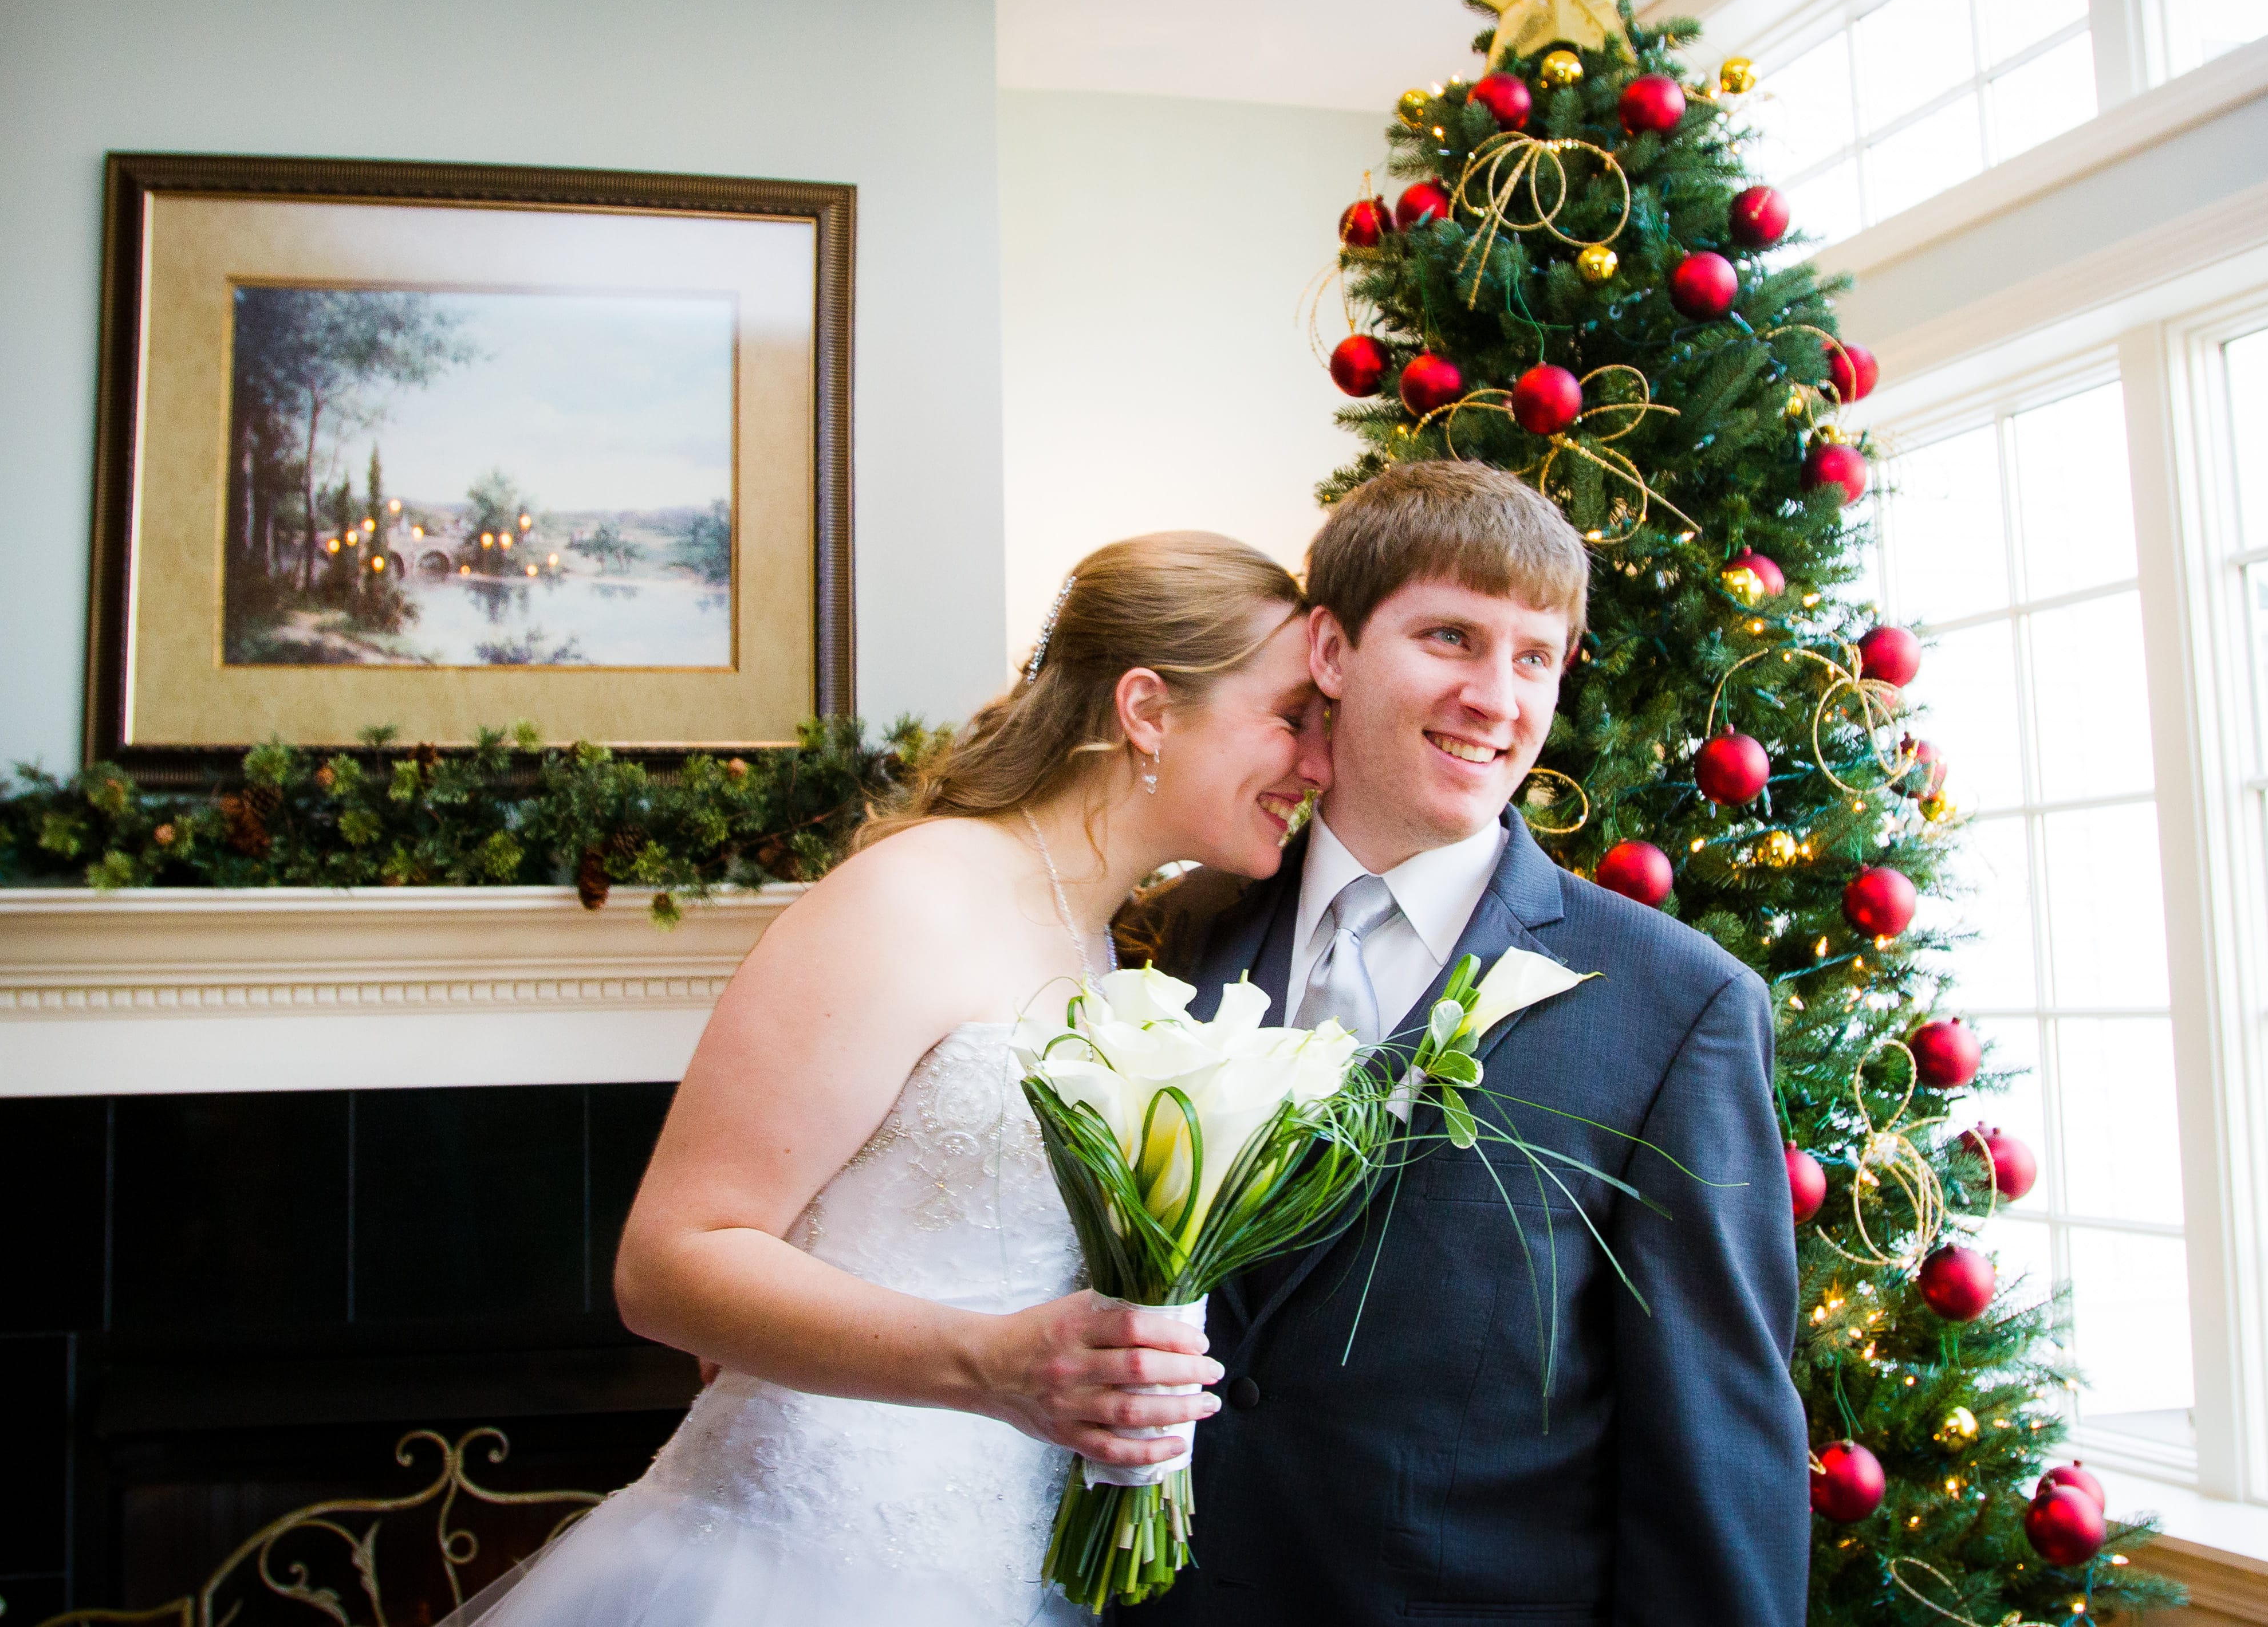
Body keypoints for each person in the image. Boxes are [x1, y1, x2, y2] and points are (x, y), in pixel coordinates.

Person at [453, 530, 1333, 1627]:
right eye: (1292, 717)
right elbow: (668, 1263)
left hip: (997, 1570)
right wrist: (989, 1363)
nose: (1317, 764)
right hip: (797, 1568)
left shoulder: (1105, 946)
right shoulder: (912, 898)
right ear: (1147, 709)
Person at [1122, 461, 1809, 1627]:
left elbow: (1712, 1448)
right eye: (1451, 637)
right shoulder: (1170, 933)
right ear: (1331, 652)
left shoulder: (1674, 1007)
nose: (1498, 697)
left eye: (1533, 657)